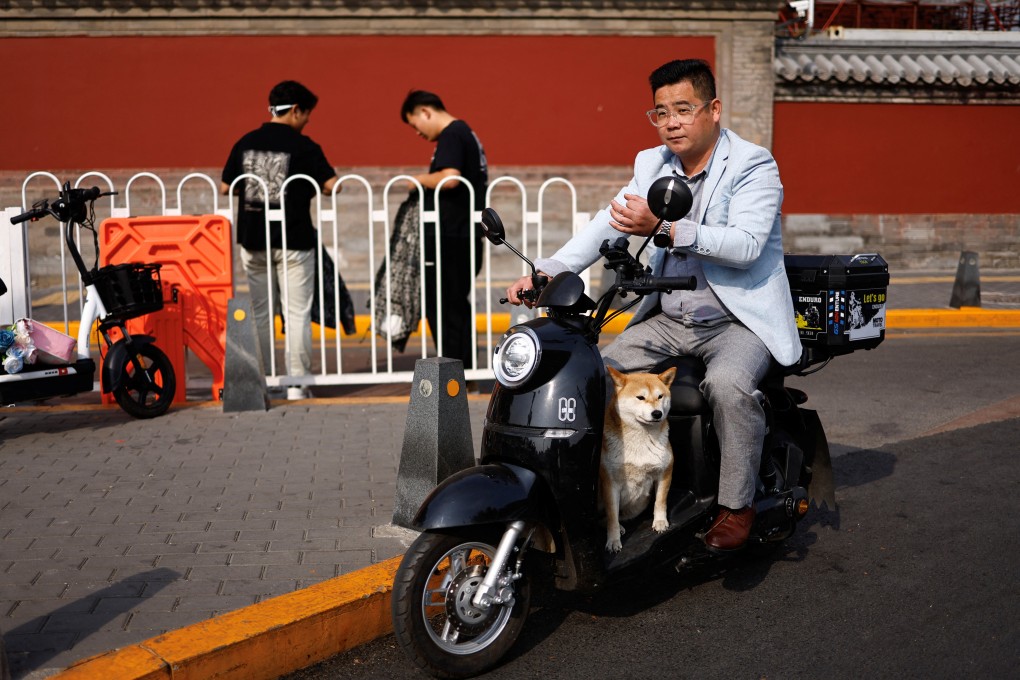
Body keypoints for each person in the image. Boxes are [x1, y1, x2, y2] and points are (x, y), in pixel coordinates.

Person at [505, 59, 802, 552]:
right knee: (593, 376)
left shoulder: (753, 164)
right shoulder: (652, 164)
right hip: (669, 318)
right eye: (660, 112)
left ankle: (736, 504)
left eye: (683, 109)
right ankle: (598, 487)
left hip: (737, 321)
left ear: (713, 109)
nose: (672, 122)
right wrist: (550, 268)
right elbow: (612, 221)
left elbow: (747, 244)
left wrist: (664, 229)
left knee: (728, 386)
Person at [221, 80, 338, 400]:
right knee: (297, 312)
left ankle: (259, 383)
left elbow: (224, 187)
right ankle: (297, 385)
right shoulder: (304, 146)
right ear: (297, 110)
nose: (308, 121)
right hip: (294, 240)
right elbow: (333, 185)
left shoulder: (246, 142)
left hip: (253, 239)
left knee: (260, 311)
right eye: (308, 114)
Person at [401, 90, 488, 370]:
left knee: (444, 307)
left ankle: (452, 374)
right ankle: (463, 372)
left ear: (425, 112)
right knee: (454, 307)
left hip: (452, 236)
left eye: (414, 125)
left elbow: (450, 178)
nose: (417, 133)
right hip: (463, 234)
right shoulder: (465, 133)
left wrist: (417, 180)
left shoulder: (452, 133)